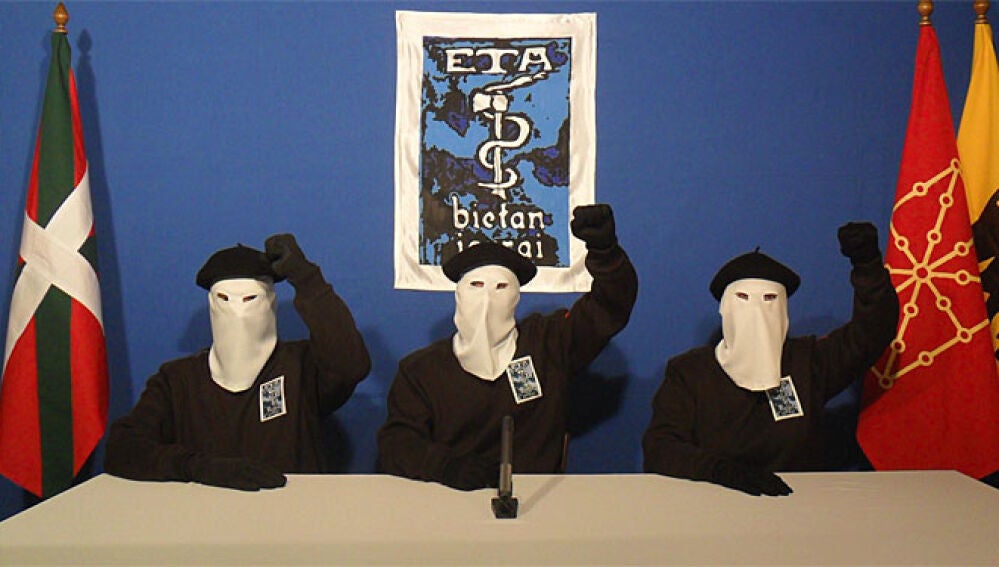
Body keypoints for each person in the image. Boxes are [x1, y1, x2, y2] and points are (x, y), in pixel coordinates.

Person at [378, 204, 638, 490]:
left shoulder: (549, 344)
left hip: (538, 501)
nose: (487, 299)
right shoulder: (422, 371)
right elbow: (397, 443)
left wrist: (605, 253)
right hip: (448, 500)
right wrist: (445, 466)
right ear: (459, 295)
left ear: (516, 296)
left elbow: (608, 307)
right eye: (476, 285)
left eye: (501, 287)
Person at [642, 222, 899, 496]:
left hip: (796, 505)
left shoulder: (809, 362)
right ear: (725, 307)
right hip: (714, 504)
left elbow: (871, 333)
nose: (756, 310)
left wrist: (868, 267)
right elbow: (660, 446)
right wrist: (718, 470)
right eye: (743, 297)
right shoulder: (690, 373)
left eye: (769, 299)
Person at [104, 234, 371, 491]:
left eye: (250, 299)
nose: (239, 313)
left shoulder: (302, 367)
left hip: (292, 511)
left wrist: (306, 278)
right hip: (205, 514)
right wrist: (198, 467)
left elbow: (350, 365)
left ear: (270, 303)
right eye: (225, 300)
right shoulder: (178, 381)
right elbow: (122, 448)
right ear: (212, 304)